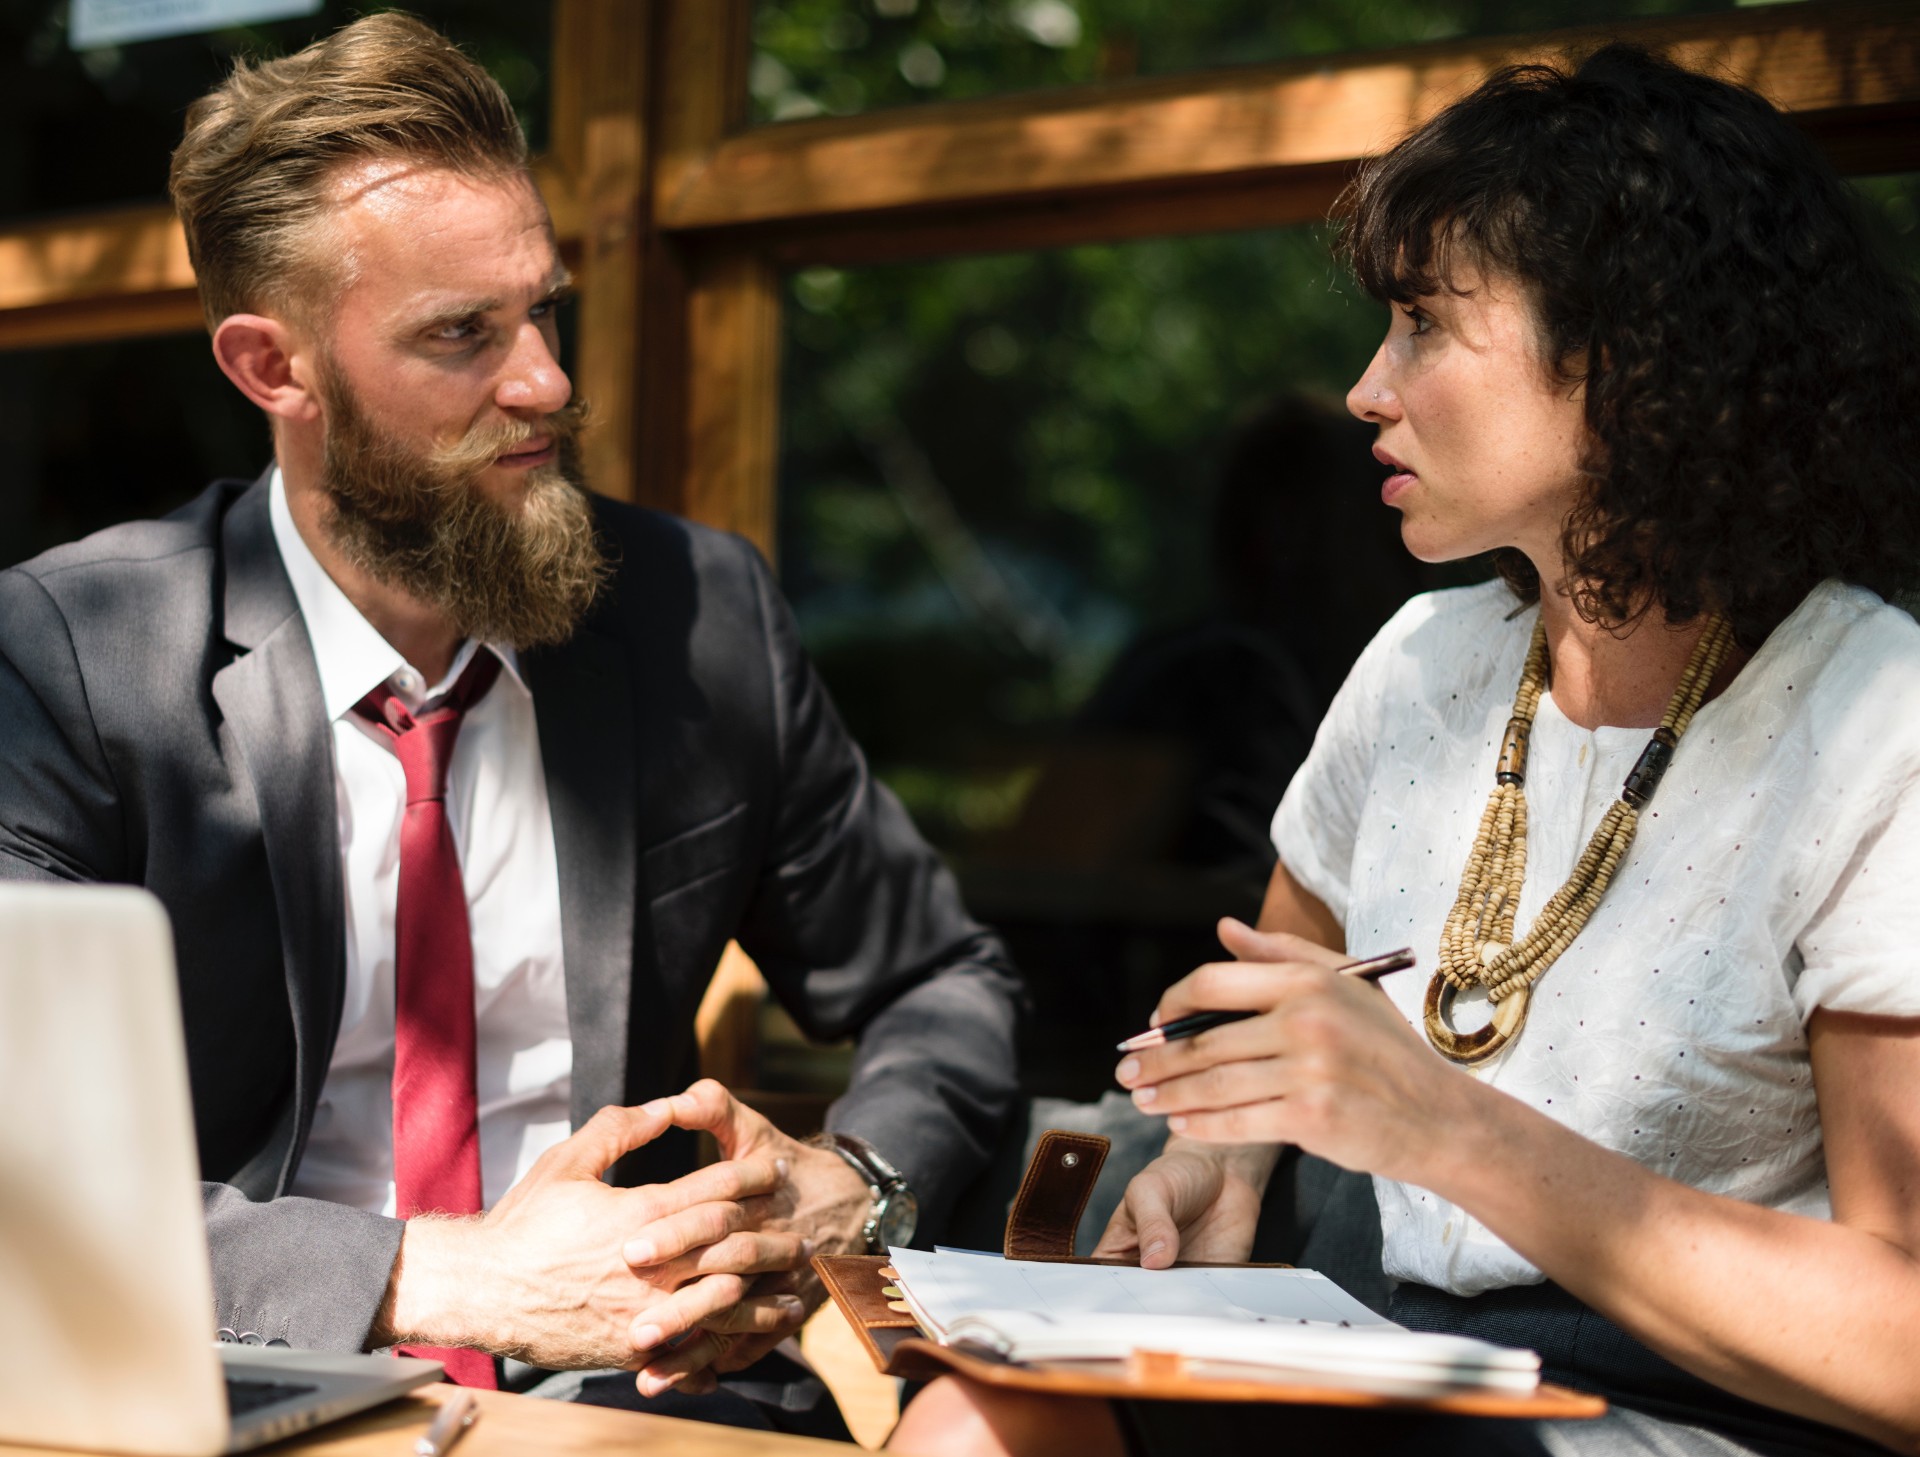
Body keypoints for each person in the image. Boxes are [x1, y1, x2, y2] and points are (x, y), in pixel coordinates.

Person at [888, 43, 1920, 1457]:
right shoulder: (1426, 662)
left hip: (1695, 1418)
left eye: (1426, 324)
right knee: (978, 1413)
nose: (1368, 389)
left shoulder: (1876, 721)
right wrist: (1219, 1153)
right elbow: (1283, 984)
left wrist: (1446, 1127)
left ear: (1635, 356)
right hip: (1391, 1364)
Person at [0, 14, 1022, 1439]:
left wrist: (855, 1183)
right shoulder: (70, 657)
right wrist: (449, 1275)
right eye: (461, 334)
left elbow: (943, 981)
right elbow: (24, 1181)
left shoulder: (696, 615)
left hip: (652, 1396)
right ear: (273, 369)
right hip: (248, 1390)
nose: (543, 380)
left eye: (544, 311)